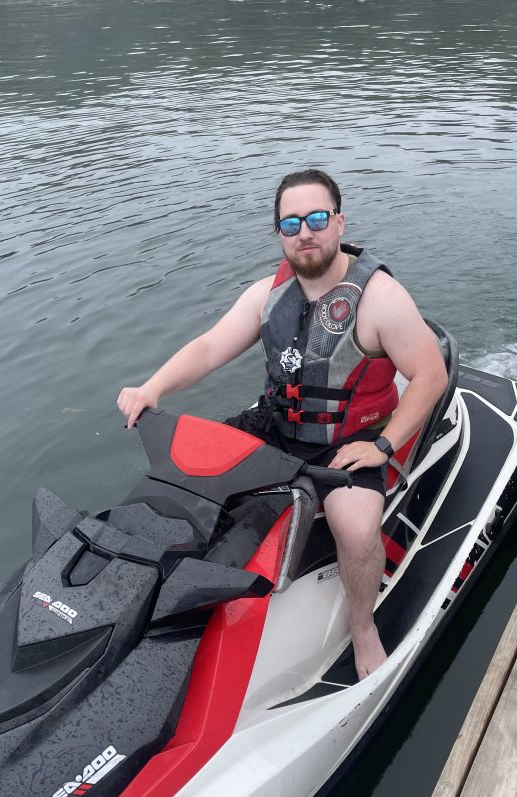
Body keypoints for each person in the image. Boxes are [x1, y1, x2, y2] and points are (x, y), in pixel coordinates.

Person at [117, 169, 448, 678]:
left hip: (350, 439)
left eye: (317, 219)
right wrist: (152, 388)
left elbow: (430, 375)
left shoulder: (381, 298)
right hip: (276, 425)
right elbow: (209, 347)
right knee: (191, 474)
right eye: (291, 223)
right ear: (279, 232)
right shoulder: (267, 295)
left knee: (356, 531)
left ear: (339, 222)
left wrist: (382, 446)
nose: (305, 232)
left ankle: (363, 627)